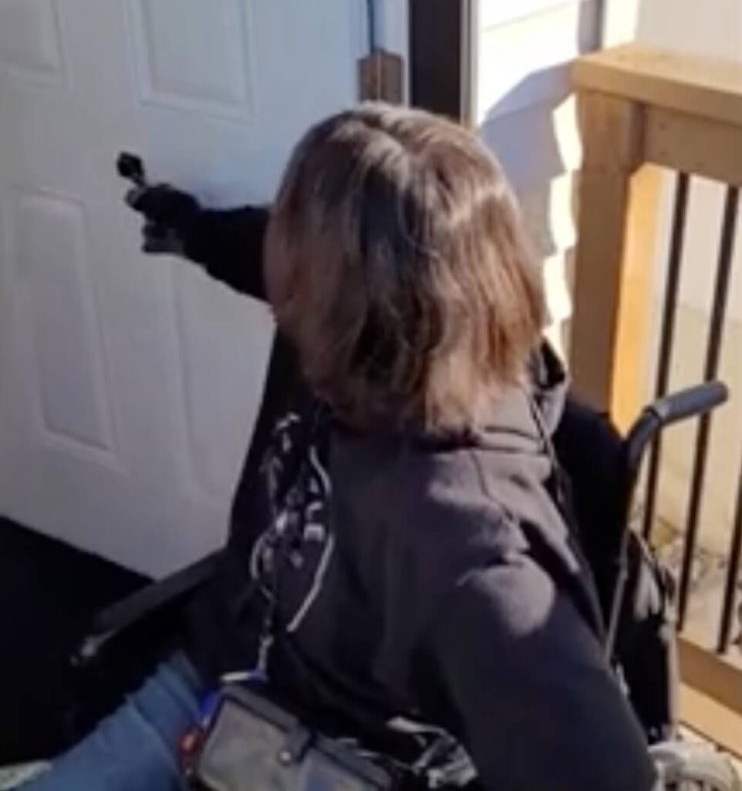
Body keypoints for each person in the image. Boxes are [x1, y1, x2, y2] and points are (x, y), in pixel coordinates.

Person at [27, 105, 657, 790]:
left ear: (340, 294)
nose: (279, 260)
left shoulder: (467, 547)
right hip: (221, 676)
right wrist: (194, 228)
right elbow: (258, 249)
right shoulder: (372, 328)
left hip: (340, 761)